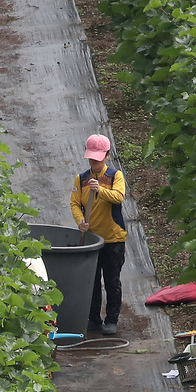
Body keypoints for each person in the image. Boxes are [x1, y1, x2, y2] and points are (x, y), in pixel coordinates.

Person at [70, 133, 128, 335]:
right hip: (92, 240)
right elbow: (75, 203)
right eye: (91, 158)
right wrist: (80, 221)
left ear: (107, 155)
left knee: (112, 281)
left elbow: (119, 197)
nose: (94, 162)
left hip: (113, 239)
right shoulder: (81, 179)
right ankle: (93, 319)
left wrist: (100, 190)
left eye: (98, 158)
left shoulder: (114, 176)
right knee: (92, 282)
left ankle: (111, 320)